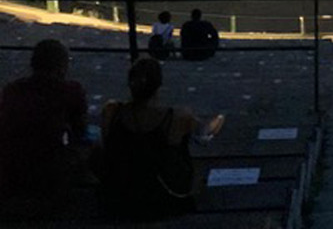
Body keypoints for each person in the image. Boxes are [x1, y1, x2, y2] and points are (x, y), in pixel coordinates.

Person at [100, 57, 224, 219]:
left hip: (119, 195)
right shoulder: (177, 117)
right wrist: (221, 118)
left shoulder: (111, 111)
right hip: (162, 198)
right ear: (159, 85)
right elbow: (205, 133)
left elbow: (105, 144)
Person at [0, 40, 88, 215]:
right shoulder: (70, 90)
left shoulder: (12, 90)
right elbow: (80, 130)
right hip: (51, 175)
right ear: (61, 66)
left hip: (13, 173)